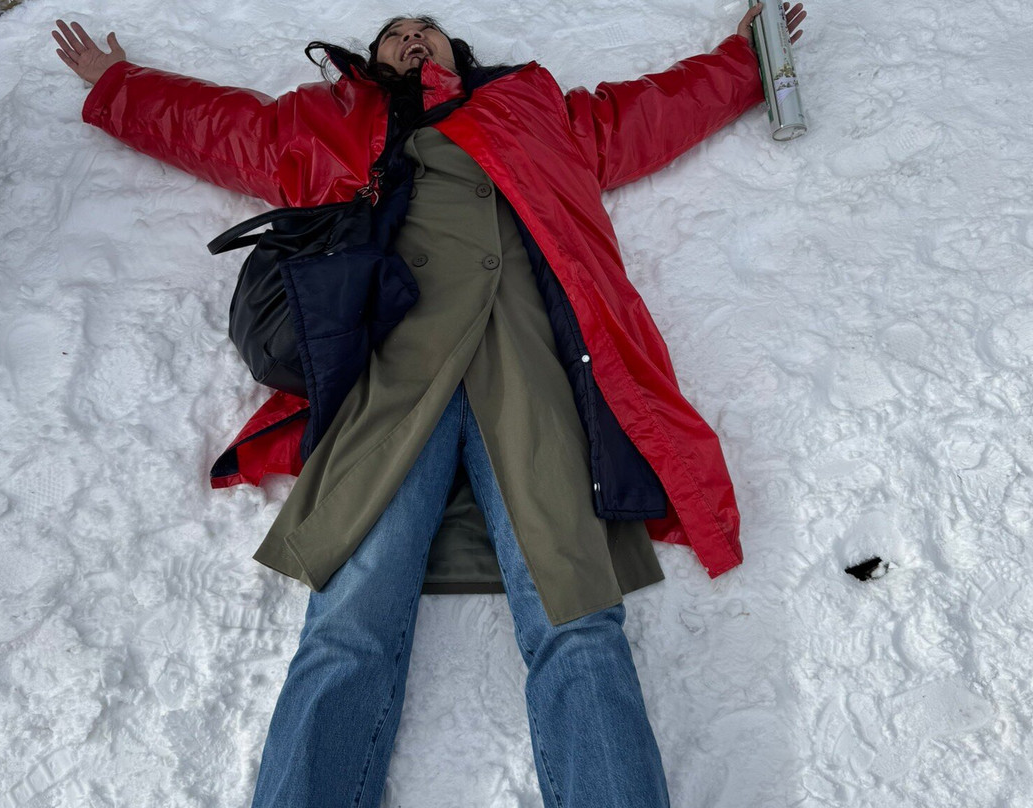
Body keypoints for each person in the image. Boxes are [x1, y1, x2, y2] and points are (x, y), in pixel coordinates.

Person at [53, 7, 806, 808]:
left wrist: (745, 59)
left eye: (427, 28)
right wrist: (117, 85)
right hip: (392, 373)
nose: (413, 35)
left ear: (457, 51)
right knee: (347, 623)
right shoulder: (325, 121)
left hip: (527, 366)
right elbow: (220, 126)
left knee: (579, 619)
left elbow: (647, 114)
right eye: (394, 32)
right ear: (373, 58)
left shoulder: (531, 108)